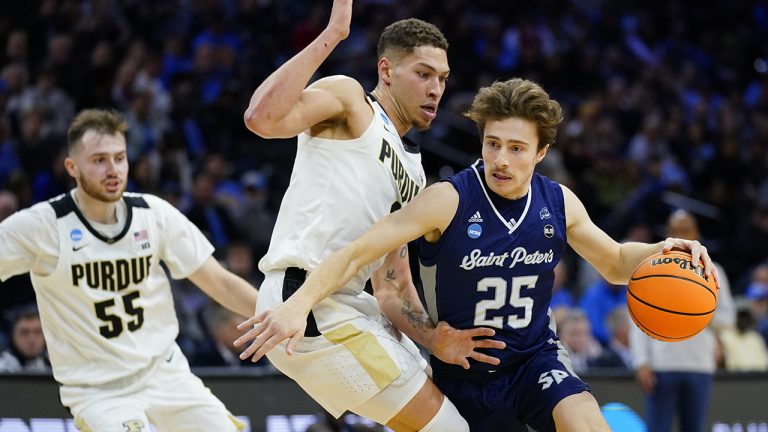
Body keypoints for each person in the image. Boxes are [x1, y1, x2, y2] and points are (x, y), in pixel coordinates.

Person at [238, 78, 719, 431]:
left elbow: (614, 263)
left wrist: (661, 251)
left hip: (534, 360)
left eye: (516, 148)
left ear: (541, 152)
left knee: (589, 424)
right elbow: (355, 253)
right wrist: (299, 303)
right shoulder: (447, 200)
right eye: (493, 144)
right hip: (464, 372)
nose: (501, 159)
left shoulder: (558, 202)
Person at [238, 1, 500, 431]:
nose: (435, 89)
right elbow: (261, 119)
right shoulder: (351, 101)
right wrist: (334, 34)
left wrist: (433, 338)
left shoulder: (414, 171)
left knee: (464, 416)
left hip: (356, 308)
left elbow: (392, 285)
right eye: (423, 74)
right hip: (306, 301)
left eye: (442, 78)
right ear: (386, 70)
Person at [0, 109, 259, 431]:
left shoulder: (153, 213)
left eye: (119, 158)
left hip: (165, 373)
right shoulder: (43, 226)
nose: (113, 170)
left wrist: (280, 314)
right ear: (72, 167)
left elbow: (220, 282)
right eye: (99, 160)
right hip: (99, 391)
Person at [630, 209, 734, 432]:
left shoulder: (714, 270)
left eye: (685, 229)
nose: (681, 234)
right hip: (661, 365)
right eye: (675, 229)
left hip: (700, 365)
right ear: (668, 232)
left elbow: (728, 318)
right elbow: (637, 316)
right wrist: (641, 361)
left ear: (696, 232)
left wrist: (697, 310)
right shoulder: (653, 267)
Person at [0, 306, 50, 372]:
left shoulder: (56, 363)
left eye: (37, 332)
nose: (32, 340)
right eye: (24, 333)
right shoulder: (3, 367)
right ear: (13, 336)